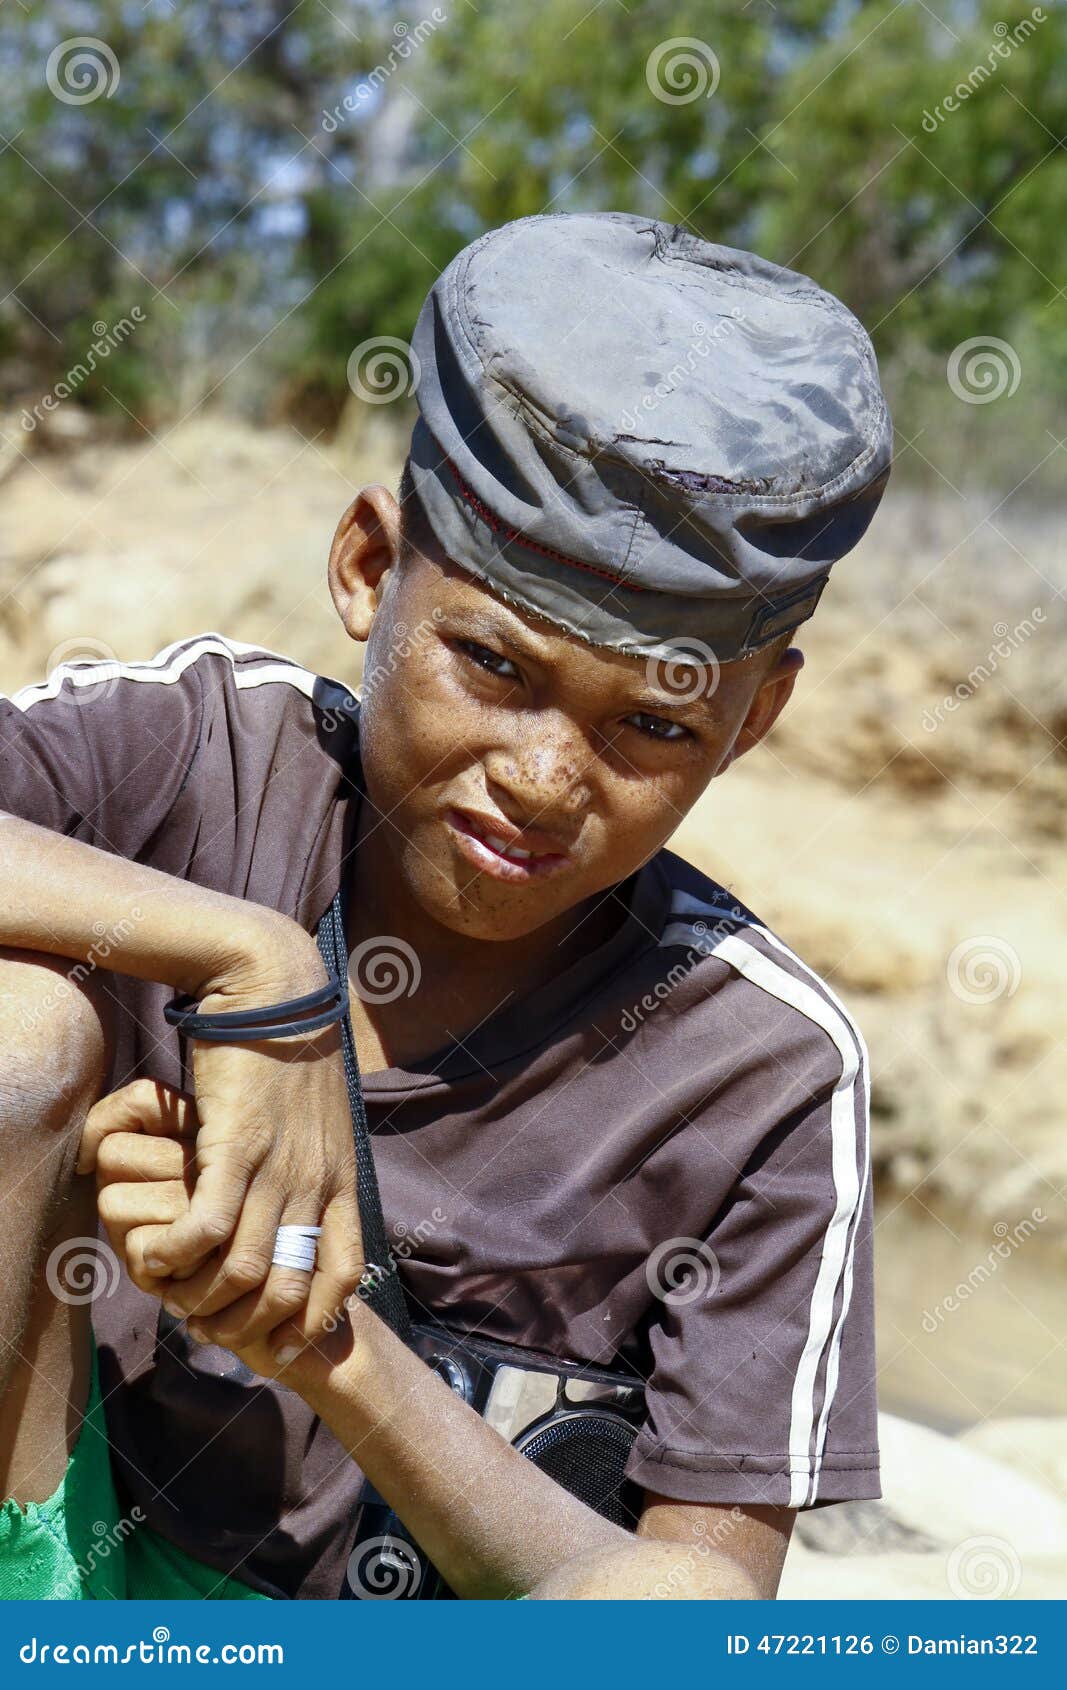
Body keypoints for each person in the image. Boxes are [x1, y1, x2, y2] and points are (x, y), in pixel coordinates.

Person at [0, 211, 891, 1600]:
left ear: (755, 715)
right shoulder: (198, 764)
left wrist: (326, 1344)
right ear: (369, 567)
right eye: (492, 665)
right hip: (58, 1560)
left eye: (653, 730)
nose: (542, 781)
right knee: (23, 1034)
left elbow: (696, 1622)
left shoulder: (760, 1075)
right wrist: (251, 953)